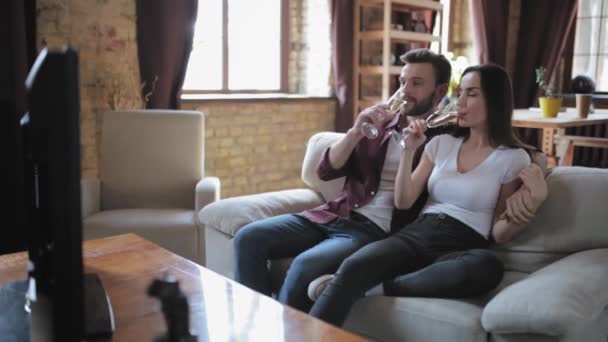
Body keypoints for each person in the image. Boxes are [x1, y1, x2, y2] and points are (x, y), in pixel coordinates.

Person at [307, 63, 541, 327]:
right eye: (459, 92)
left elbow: (499, 233)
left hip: (463, 245)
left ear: (495, 100)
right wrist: (409, 150)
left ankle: (379, 288)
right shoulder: (440, 143)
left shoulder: (513, 158)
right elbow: (403, 201)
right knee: (354, 266)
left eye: (472, 94)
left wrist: (533, 200)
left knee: (486, 267)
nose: (460, 101)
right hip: (416, 235)